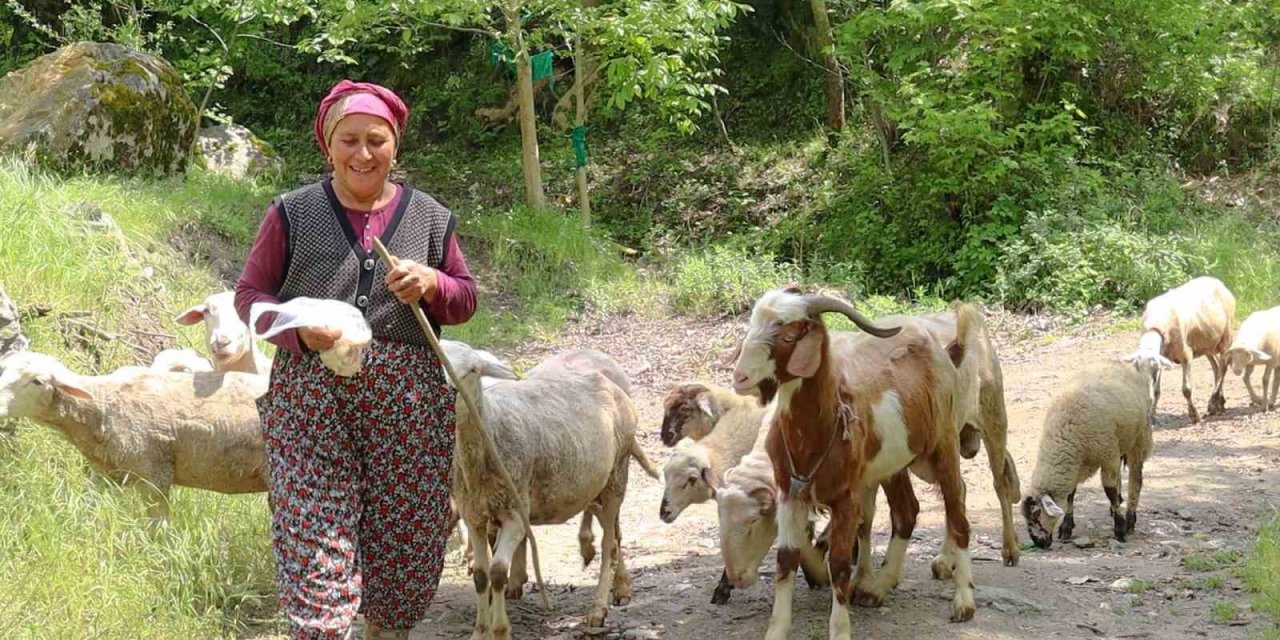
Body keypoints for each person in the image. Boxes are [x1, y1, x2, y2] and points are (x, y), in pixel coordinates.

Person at [234, 79, 477, 640]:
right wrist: (297, 332)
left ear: (395, 147)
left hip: (409, 410)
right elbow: (251, 299)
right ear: (327, 144)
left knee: (406, 545)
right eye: (349, 140)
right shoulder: (292, 213)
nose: (362, 154)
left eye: (376, 139)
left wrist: (433, 282)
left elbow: (465, 299)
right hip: (308, 405)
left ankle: (387, 628)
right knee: (313, 537)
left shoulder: (431, 218)